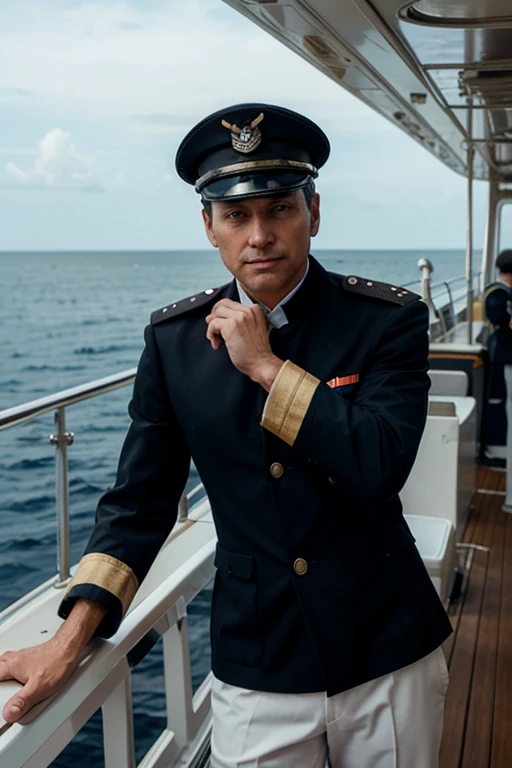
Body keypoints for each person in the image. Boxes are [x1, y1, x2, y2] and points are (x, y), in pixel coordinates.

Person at [0, 103, 452, 767]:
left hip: (387, 645)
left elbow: (379, 462)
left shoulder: (385, 322)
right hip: (259, 655)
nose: (260, 234)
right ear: (209, 226)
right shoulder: (174, 343)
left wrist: (266, 367)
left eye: (280, 209)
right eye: (237, 215)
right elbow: (139, 502)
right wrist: (70, 641)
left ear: (314, 214)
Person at [485, 249, 512, 512]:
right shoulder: (498, 294)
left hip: (504, 354)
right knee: (503, 407)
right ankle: (499, 453)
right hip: (504, 356)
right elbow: (500, 318)